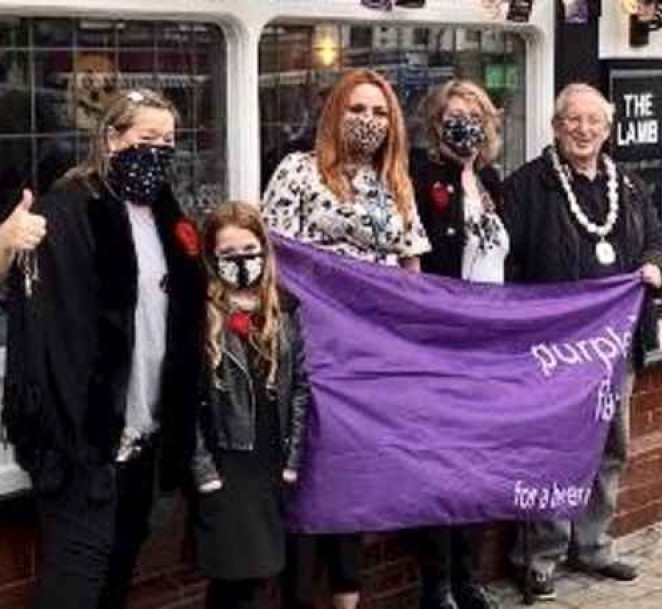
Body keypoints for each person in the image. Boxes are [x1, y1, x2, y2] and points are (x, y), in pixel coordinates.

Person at [0, 88, 206, 609]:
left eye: (169, 140)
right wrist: (2, 245)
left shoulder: (169, 215)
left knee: (117, 575)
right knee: (75, 584)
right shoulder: (69, 206)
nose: (160, 150)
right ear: (111, 138)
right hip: (83, 442)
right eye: (147, 138)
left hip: (146, 439)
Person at [261, 68, 431, 609]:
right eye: (357, 109)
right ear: (336, 112)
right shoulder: (298, 171)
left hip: (370, 358)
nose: (368, 121)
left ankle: (347, 600)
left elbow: (412, 272)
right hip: (313, 353)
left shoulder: (395, 183)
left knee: (351, 481)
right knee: (306, 476)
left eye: (380, 113)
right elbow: (273, 260)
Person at [501, 83, 662, 603]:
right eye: (573, 120)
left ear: (607, 129)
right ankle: (540, 556)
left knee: (609, 447)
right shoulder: (527, 187)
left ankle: (594, 545)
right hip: (553, 352)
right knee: (551, 449)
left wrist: (655, 269)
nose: (584, 130)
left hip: (614, 350)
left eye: (594, 122)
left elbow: (658, 243)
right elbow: (507, 268)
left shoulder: (631, 186)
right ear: (556, 127)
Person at [408, 79, 506, 609]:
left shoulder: (491, 181)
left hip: (489, 348)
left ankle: (470, 576)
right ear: (435, 123)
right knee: (441, 462)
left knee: (479, 463)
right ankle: (437, 582)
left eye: (473, 115)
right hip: (441, 344)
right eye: (453, 115)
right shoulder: (420, 176)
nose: (463, 124)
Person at [188, 201, 310, 609]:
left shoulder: (284, 311)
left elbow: (300, 388)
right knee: (231, 579)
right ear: (212, 257)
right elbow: (185, 400)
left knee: (263, 575)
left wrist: (292, 460)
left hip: (269, 461)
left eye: (249, 251)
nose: (241, 262)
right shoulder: (202, 317)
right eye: (228, 254)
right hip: (228, 464)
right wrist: (205, 473)